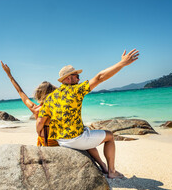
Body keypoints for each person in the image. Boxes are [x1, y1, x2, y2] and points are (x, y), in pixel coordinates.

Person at [36, 49, 139, 179]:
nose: (79, 78)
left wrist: (40, 134)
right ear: (68, 78)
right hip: (75, 140)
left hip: (61, 141)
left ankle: (102, 165)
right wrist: (122, 63)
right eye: (76, 76)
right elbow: (100, 77)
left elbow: (40, 122)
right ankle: (112, 171)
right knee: (110, 136)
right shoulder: (76, 90)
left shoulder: (51, 97)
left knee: (87, 131)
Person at [1, 61, 108, 173]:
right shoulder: (56, 105)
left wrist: (10, 76)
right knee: (87, 142)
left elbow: (20, 92)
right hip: (57, 143)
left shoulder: (35, 108)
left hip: (43, 144)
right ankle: (102, 164)